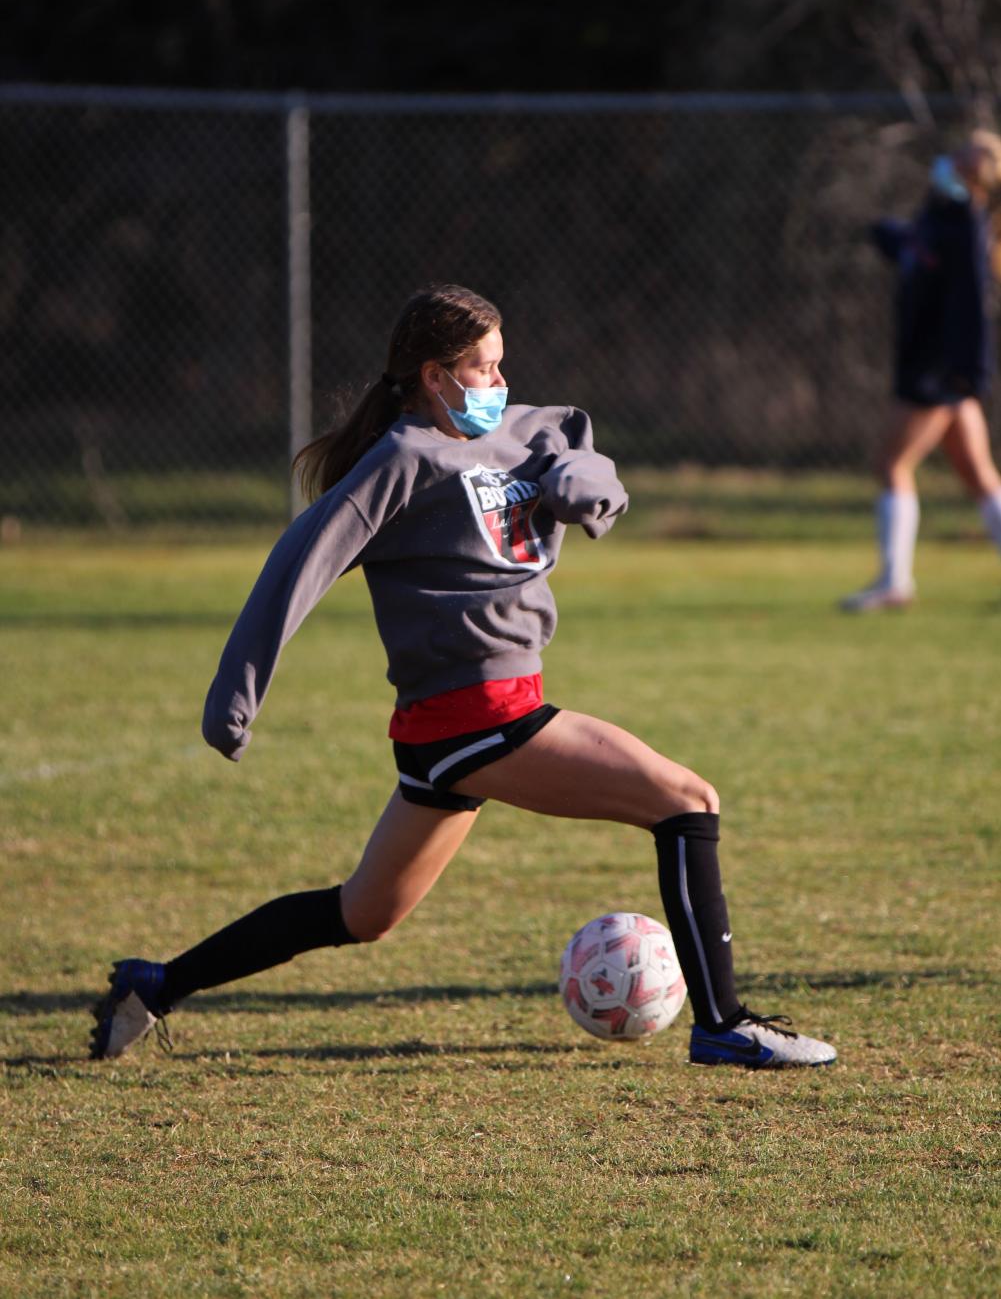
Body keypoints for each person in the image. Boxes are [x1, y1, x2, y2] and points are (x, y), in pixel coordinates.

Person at [91, 283, 836, 1069]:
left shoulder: (518, 430)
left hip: (457, 727)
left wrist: (589, 486)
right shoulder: (399, 461)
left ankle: (155, 983)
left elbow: (573, 446)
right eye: (480, 368)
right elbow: (296, 564)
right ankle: (722, 1023)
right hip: (477, 714)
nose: (498, 382)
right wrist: (233, 697)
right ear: (433, 375)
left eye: (500, 363)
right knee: (687, 801)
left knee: (363, 912)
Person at [842, 129, 1001, 611]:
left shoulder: (965, 226)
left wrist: (967, 372)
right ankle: (894, 581)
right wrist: (883, 233)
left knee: (892, 465)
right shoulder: (935, 219)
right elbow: (914, 253)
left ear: (977, 178)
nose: (949, 163)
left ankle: (895, 582)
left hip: (937, 373)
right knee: (981, 479)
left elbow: (972, 305)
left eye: (963, 160)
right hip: (937, 369)